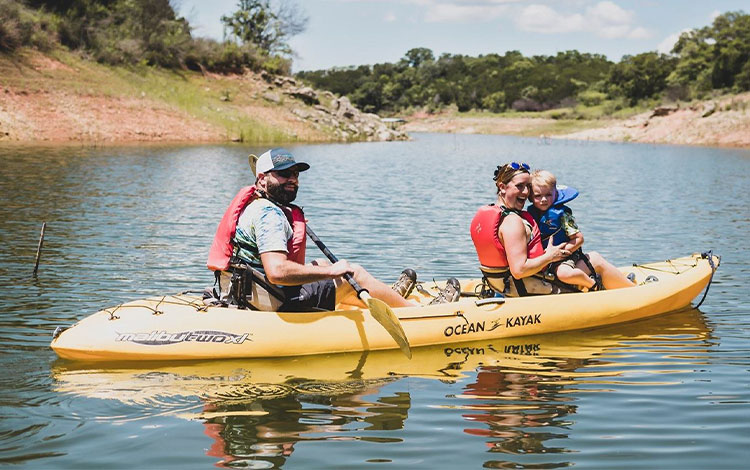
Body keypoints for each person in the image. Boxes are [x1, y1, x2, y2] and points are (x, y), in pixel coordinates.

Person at [207, 148, 453, 311]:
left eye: (295, 174)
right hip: (271, 300)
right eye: (284, 174)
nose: (293, 179)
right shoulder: (269, 215)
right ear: (262, 180)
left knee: (321, 266)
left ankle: (387, 296)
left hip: (244, 292)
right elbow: (277, 272)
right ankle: (415, 313)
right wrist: (334, 271)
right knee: (351, 273)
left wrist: (326, 269)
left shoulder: (257, 205)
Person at [470, 161, 568, 296]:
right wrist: (550, 257)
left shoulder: (485, 213)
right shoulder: (512, 222)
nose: (526, 192)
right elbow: (519, 270)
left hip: (499, 286)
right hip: (524, 288)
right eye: (520, 186)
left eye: (528, 186)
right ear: (502, 187)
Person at [528, 169, 635, 291]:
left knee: (563, 273)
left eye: (548, 194)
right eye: (538, 196)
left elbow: (579, 238)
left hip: (566, 256)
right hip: (548, 259)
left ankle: (594, 284)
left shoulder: (563, 215)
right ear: (531, 197)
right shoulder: (531, 215)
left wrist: (560, 253)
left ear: (555, 193)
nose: (543, 199)